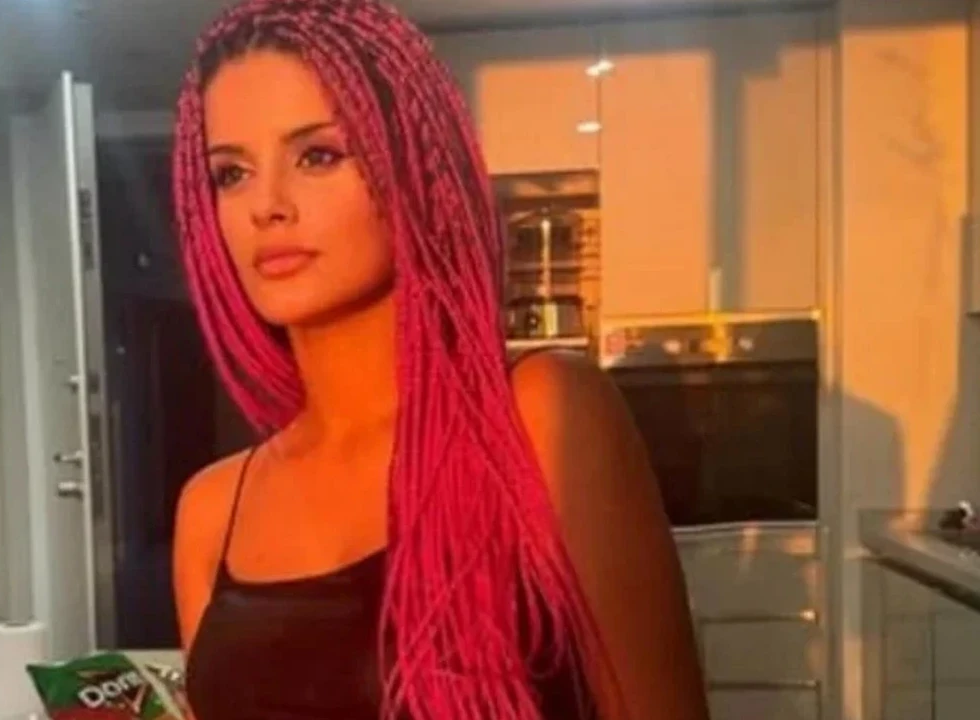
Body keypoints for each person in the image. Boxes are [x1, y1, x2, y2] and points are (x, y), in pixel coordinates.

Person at [168, 1, 708, 718]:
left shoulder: (540, 416)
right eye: (231, 173)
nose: (266, 205)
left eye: (318, 156)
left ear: (415, 167)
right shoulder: (212, 511)